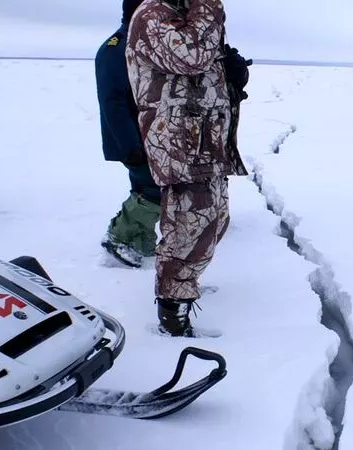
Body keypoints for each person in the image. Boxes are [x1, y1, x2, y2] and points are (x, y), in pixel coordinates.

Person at [126, 0, 250, 337]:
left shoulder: (184, 17)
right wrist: (208, 7)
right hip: (180, 145)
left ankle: (185, 283)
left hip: (205, 140)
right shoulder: (152, 14)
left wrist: (231, 76)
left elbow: (199, 72)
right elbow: (190, 57)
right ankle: (172, 313)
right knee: (188, 227)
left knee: (214, 221)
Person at [95, 0, 162, 269]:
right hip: (132, 137)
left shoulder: (139, 43)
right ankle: (118, 238)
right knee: (152, 189)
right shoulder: (116, 48)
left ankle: (141, 241)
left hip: (147, 135)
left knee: (145, 186)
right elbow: (113, 101)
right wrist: (129, 145)